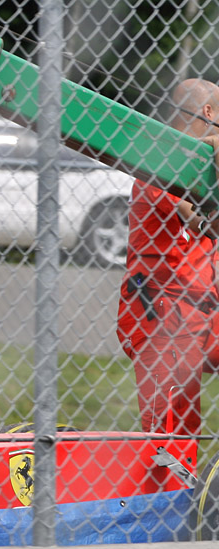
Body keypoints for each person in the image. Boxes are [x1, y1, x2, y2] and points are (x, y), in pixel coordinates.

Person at [116, 78, 219, 435]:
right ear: (208, 112)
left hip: (199, 311)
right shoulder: (158, 161)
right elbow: (198, 215)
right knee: (173, 430)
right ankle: (168, 484)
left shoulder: (202, 166)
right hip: (158, 313)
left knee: (182, 426)